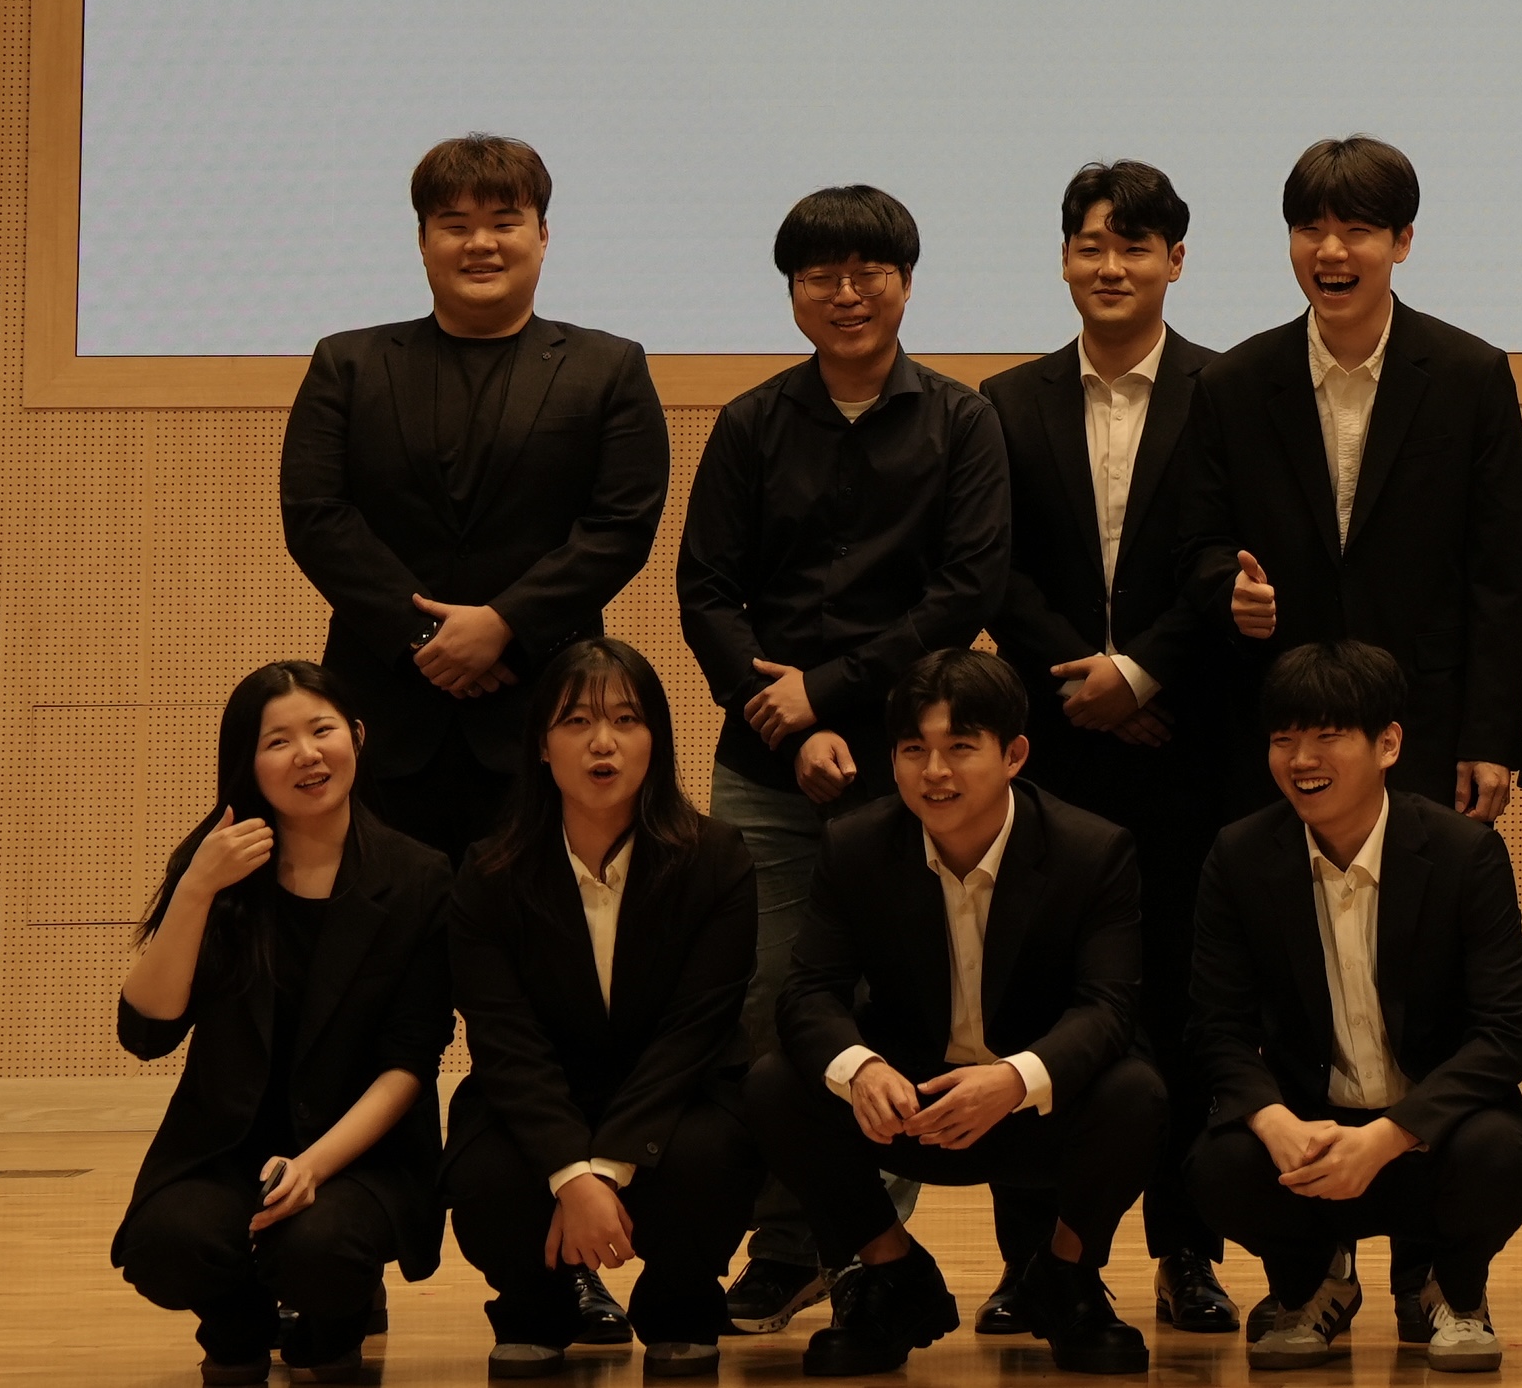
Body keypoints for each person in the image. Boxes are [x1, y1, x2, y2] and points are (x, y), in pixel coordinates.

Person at [676, 183, 1012, 1330]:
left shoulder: (962, 421)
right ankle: (792, 1244)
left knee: (894, 1011)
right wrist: (780, 709)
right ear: (793, 291)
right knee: (769, 1008)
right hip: (763, 762)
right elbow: (705, 590)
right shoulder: (750, 422)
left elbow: (963, 590)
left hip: (914, 765)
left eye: (870, 269)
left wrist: (827, 693)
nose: (847, 290)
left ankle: (865, 1244)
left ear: (906, 282)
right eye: (821, 272)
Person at [740, 649, 1168, 1378]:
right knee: (775, 1083)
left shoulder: (1091, 850)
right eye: (914, 750)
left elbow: (1108, 1008)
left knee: (1137, 1091)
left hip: (1029, 1106)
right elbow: (808, 992)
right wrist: (861, 1069)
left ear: (1014, 755)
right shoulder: (855, 845)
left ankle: (1066, 1278)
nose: (934, 772)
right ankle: (891, 1274)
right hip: (912, 1103)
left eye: (960, 748)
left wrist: (1015, 1078)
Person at [982, 159, 1232, 1336]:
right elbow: (992, 565)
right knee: (1037, 1001)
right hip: (1053, 749)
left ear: (1176, 259)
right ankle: (1030, 1260)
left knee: (1186, 1002)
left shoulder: (1231, 390)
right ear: (1065, 257)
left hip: (1190, 745)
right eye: (1091, 243)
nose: (1112, 264)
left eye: (1136, 245)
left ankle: (1188, 1250)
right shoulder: (1004, 400)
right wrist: (1082, 674)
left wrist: (1143, 672)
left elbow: (1230, 554)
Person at [276, 134, 667, 868]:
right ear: (423, 241)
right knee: (385, 923)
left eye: (503, 222)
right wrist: (427, 637)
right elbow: (316, 516)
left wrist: (504, 625)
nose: (480, 244)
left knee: (535, 925)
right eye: (454, 225)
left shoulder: (609, 368)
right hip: (384, 709)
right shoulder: (348, 364)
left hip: (545, 709)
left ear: (542, 235)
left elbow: (620, 526)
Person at [1190, 639, 1522, 1377]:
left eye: (1327, 735)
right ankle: (1312, 1284)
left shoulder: (1465, 854)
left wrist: (1390, 1136)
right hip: (1312, 1137)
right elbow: (1218, 1028)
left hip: (1428, 1138)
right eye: (1284, 739)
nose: (1301, 759)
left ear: (1388, 745)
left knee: (1499, 1154)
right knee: (1219, 1164)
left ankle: (1454, 1290)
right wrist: (1273, 1121)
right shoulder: (1240, 856)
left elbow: (1506, 1034)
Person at [113, 662, 453, 1388]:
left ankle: (333, 1327)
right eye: (278, 741)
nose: (307, 754)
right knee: (167, 1243)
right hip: (229, 1146)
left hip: (360, 1153)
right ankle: (237, 1327)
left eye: (322, 730)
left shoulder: (418, 877)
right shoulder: (216, 865)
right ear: (248, 763)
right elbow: (147, 1031)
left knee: (318, 1250)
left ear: (356, 737)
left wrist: (314, 1167)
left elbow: (410, 1061)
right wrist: (197, 889)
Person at [1177, 135, 1522, 821]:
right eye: (1309, 230)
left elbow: (1500, 576)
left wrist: (1488, 738)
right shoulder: (1233, 384)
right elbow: (1197, 543)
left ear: (1402, 242)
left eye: (1356, 231)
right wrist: (1229, 590)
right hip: (1274, 724)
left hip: (1422, 721)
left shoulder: (1470, 376)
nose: (1330, 253)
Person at [445, 639, 761, 1379]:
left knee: (711, 1156)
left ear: (657, 739)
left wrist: (608, 1169)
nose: (602, 742)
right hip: (545, 1093)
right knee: (489, 1175)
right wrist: (568, 1172)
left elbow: (694, 1032)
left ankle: (681, 1305)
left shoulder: (717, 859)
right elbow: (505, 1040)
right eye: (576, 721)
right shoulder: (489, 874)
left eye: (626, 719)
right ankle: (536, 1307)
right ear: (541, 746)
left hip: (675, 1093)